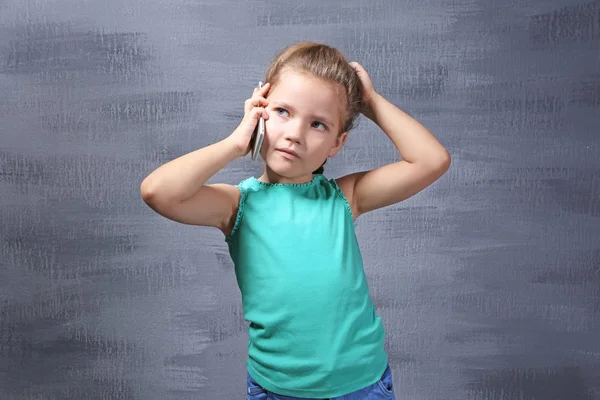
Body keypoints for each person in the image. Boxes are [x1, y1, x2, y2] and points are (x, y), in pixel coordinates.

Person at [140, 41, 450, 399]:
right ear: (260, 108)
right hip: (278, 390)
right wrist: (235, 143)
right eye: (283, 112)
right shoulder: (237, 205)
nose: (295, 134)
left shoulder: (344, 198)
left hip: (362, 385)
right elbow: (157, 192)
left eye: (318, 124)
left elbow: (432, 160)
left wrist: (371, 103)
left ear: (338, 143)